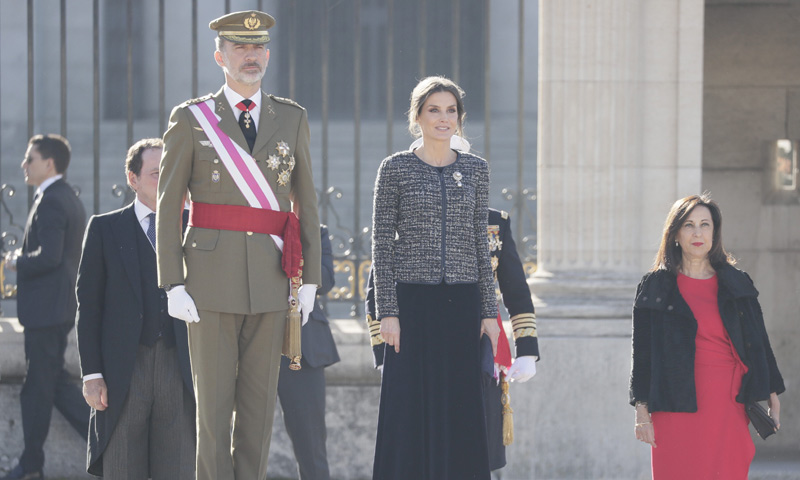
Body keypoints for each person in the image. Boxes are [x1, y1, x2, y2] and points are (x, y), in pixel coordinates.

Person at [155, 10, 321, 480]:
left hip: (271, 281)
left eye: (258, 48)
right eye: (240, 48)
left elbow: (305, 203)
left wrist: (309, 281)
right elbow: (169, 208)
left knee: (258, 413)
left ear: (268, 54)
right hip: (207, 282)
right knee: (212, 412)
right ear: (219, 57)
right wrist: (172, 282)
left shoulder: (291, 118)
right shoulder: (191, 119)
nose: (251, 56)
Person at [370, 76, 498, 479]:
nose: (444, 119)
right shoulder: (395, 168)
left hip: (461, 303)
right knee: (408, 407)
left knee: (460, 407)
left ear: (459, 118)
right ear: (417, 117)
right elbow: (380, 243)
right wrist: (386, 311)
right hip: (411, 306)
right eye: (433, 110)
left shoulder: (477, 170)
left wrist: (489, 311)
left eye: (451, 110)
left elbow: (480, 240)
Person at [366, 207, 540, 473]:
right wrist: (384, 353)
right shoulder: (408, 215)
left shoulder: (494, 221)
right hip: (419, 344)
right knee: (417, 448)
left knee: (474, 446)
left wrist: (527, 348)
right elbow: (378, 289)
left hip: (476, 346)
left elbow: (515, 288)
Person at [629, 194, 785, 479]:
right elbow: (643, 354)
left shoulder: (737, 282)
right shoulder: (656, 285)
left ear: (715, 232)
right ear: (675, 233)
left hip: (728, 401)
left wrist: (772, 394)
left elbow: (758, 342)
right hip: (674, 403)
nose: (697, 233)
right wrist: (641, 412)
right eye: (688, 225)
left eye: (705, 225)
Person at [75, 138, 195, 478]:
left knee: (180, 467)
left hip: (180, 367)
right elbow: (89, 305)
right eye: (157, 173)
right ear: (133, 179)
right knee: (121, 466)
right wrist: (92, 374)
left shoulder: (196, 227)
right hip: (122, 372)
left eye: (172, 172)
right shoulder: (104, 228)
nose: (167, 180)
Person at [2, 134, 89, 480]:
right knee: (50, 386)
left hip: (48, 313)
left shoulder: (53, 200)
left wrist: (15, 261)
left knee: (38, 389)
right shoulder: (59, 196)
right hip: (53, 310)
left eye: (30, 159)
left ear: (48, 163)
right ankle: (113, 446)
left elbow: (50, 257)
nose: (24, 165)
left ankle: (31, 463)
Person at [276, 224, 340, 480]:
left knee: (311, 443)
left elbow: (326, 277)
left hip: (304, 344)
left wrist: (292, 261)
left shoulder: (315, 230)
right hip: (253, 337)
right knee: (245, 437)